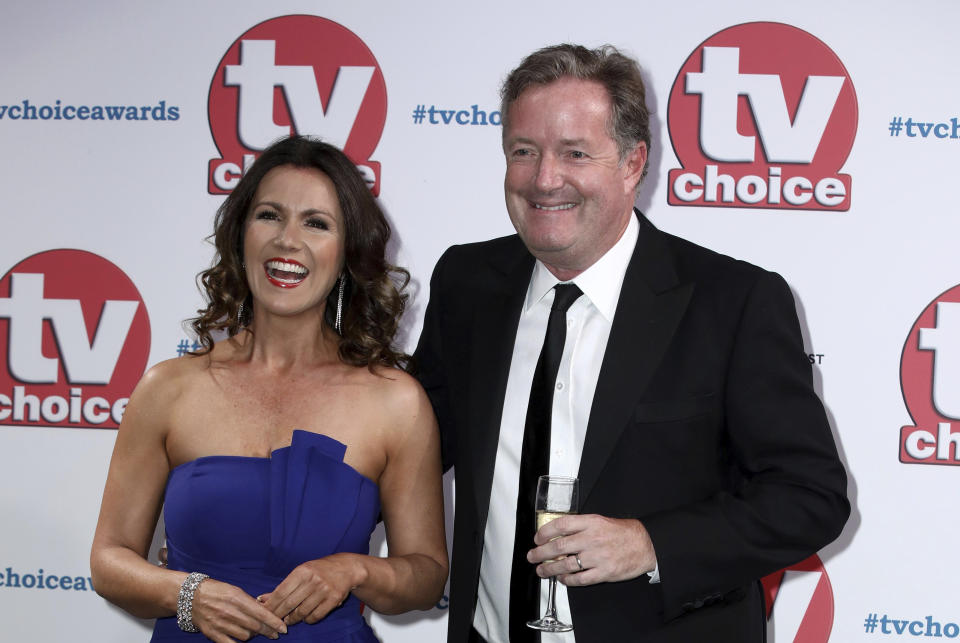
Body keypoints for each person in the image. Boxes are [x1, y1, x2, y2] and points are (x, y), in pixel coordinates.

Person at [413, 44, 849, 642]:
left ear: (632, 162)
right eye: (524, 152)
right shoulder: (467, 284)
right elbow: (412, 440)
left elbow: (810, 497)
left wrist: (650, 544)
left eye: (575, 153)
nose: (544, 179)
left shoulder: (733, 302)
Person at [91, 135, 447, 642]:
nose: (287, 240)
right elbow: (109, 560)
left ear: (347, 252)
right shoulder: (169, 388)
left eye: (317, 223)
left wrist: (356, 571)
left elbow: (427, 573)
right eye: (270, 216)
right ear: (241, 235)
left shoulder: (395, 400)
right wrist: (187, 594)